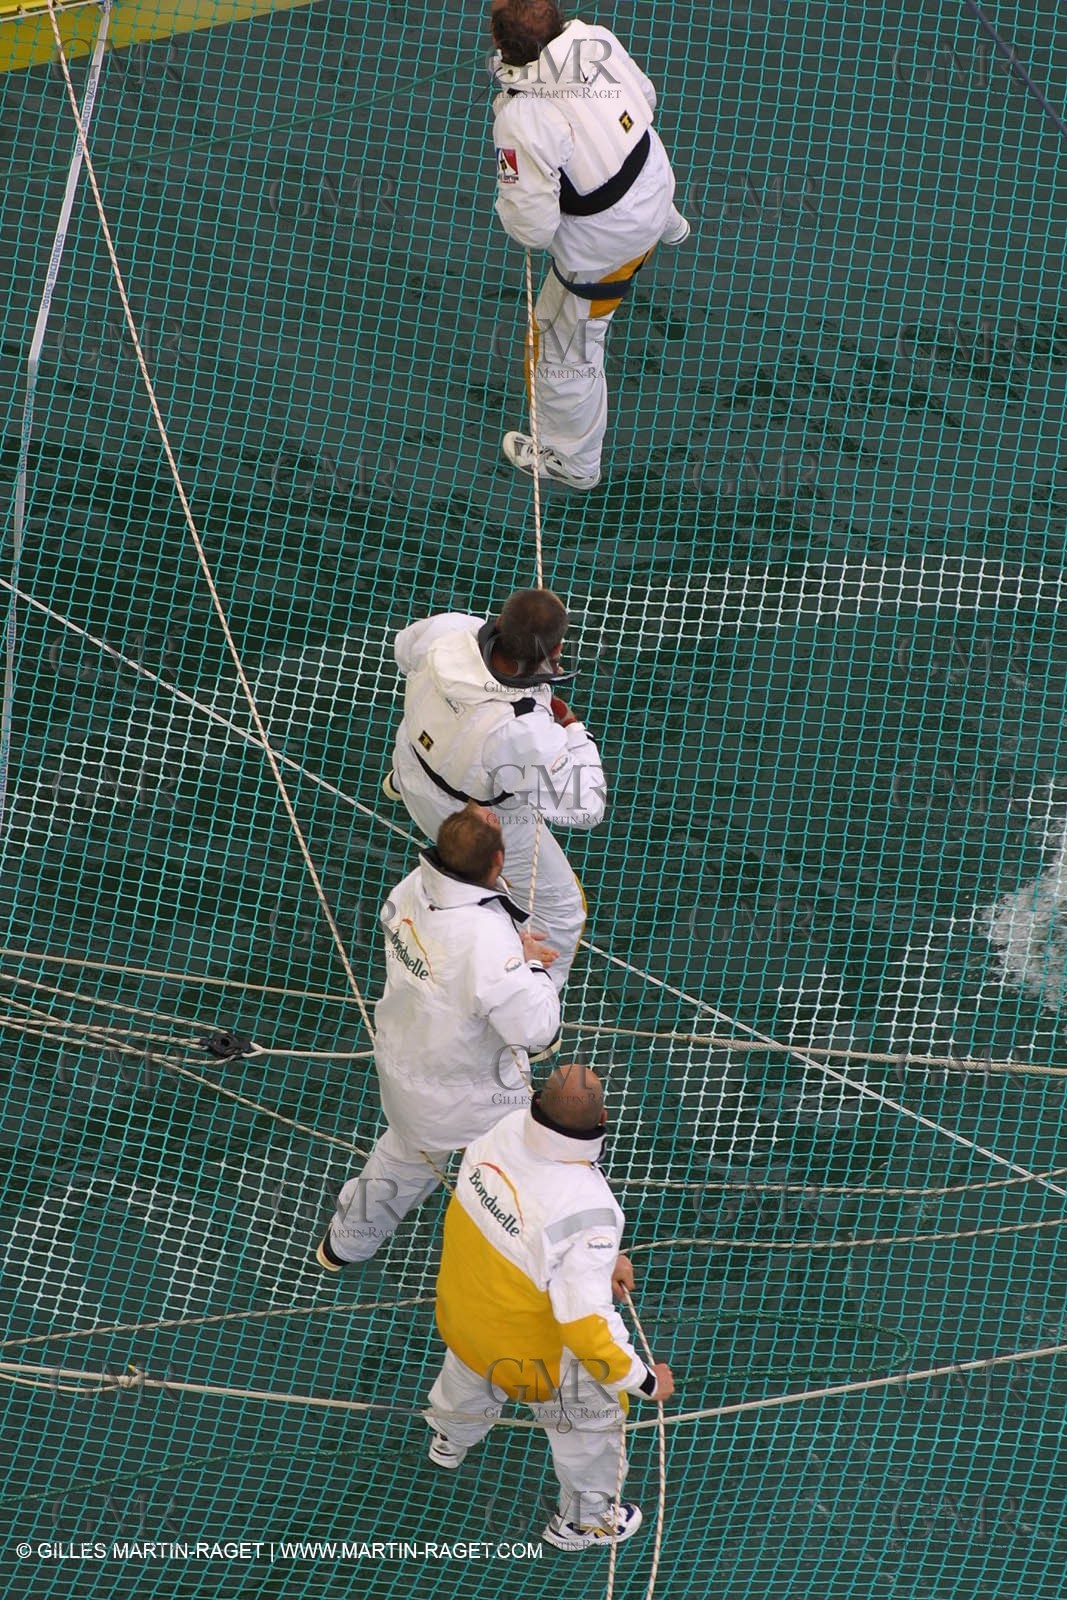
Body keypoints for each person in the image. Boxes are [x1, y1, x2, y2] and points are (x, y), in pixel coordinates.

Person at [424, 1064, 675, 1552]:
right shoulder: (592, 1210)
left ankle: (449, 1441)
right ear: (603, 1118)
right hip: (533, 1364)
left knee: (466, 1378)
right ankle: (583, 1522)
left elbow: (524, 1232)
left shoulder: (496, 1129)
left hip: (461, 1321)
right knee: (593, 1424)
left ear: (535, 1101)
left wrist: (601, 1260)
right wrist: (645, 1380)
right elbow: (586, 1329)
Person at [316, 804, 561, 1269]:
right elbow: (536, 1029)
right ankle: (535, 1267)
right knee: (522, 1173)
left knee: (401, 1159)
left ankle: (344, 1245)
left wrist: (507, 957)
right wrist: (527, 963)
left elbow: (449, 970)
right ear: (497, 863)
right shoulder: (486, 939)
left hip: (403, 1071)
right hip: (476, 1102)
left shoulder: (410, 887)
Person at [488, 0, 689, 490]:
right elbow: (646, 96)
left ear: (500, 44)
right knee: (623, 172)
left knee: (559, 346)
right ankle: (669, 224)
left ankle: (574, 463)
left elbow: (531, 231)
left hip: (609, 245)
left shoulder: (522, 118)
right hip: (657, 184)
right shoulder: (595, 38)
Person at [383, 588, 605, 993]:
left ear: (500, 623)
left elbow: (403, 651)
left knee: (439, 744)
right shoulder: (522, 730)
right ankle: (534, 1000)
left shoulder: (449, 632)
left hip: (412, 766)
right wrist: (573, 730)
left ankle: (398, 782)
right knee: (564, 909)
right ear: (556, 648)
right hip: (466, 814)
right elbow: (584, 808)